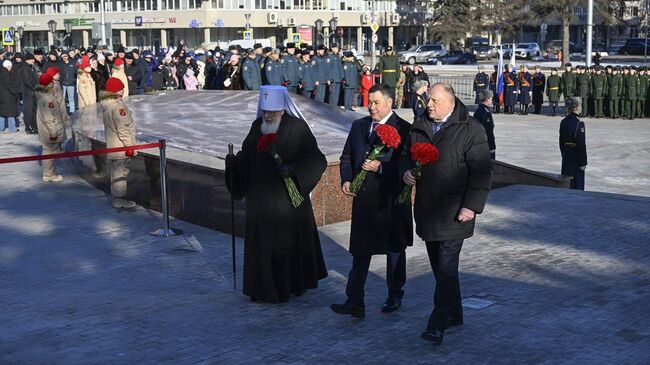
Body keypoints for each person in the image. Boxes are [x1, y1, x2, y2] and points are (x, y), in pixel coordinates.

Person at [402, 83, 492, 345]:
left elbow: (482, 170)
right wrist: (406, 173)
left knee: (447, 266)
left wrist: (471, 206)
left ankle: (437, 323)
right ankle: (454, 313)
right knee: (441, 269)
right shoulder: (420, 125)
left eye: (435, 101)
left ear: (451, 102)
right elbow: (406, 158)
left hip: (455, 210)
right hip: (428, 210)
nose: (429, 105)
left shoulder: (470, 128)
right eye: (428, 100)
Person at [225, 85, 328, 303]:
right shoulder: (257, 126)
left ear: (283, 110)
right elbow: (247, 157)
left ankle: (288, 286)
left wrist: (294, 170)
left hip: (287, 203)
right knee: (263, 246)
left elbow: (316, 159)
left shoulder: (298, 128)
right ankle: (262, 288)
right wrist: (234, 164)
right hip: (260, 203)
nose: (268, 116)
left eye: (272, 112)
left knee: (284, 245)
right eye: (265, 112)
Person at [332, 83, 413, 318]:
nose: (372, 107)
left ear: (389, 102)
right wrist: (346, 179)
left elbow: (408, 166)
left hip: (390, 200)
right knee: (360, 252)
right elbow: (347, 156)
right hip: (364, 201)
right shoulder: (359, 126)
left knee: (394, 250)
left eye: (376, 102)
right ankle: (354, 300)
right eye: (369, 102)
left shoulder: (405, 129)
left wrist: (381, 167)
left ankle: (394, 295)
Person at [100, 77, 138, 209]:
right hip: (121, 146)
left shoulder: (107, 104)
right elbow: (123, 127)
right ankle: (119, 199)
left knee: (116, 171)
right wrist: (129, 146)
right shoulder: (117, 106)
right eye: (122, 88)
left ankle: (117, 197)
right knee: (120, 172)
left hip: (113, 145)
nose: (123, 90)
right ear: (118, 90)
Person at [35, 72, 67, 182]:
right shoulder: (48, 98)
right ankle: (49, 174)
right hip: (49, 131)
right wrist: (53, 133)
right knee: (49, 151)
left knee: (50, 151)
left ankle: (49, 172)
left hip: (45, 130)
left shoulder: (42, 95)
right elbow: (49, 118)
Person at [559, 97, 587, 191]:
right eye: (580, 105)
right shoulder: (579, 123)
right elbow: (581, 144)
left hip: (567, 155)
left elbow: (561, 141)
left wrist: (564, 153)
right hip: (576, 157)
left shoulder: (564, 121)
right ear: (577, 107)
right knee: (577, 184)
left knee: (567, 182)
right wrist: (583, 162)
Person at [20, 53, 40, 134]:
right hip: (28, 93)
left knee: (34, 110)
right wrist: (35, 87)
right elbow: (27, 81)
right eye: (32, 59)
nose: (33, 61)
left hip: (33, 92)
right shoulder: (25, 68)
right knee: (28, 111)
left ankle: (35, 127)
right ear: (28, 59)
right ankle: (29, 127)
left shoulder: (31, 67)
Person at [473, 90, 496, 159]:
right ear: (487, 99)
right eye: (491, 99)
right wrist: (492, 146)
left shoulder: (478, 110)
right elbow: (488, 131)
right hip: (486, 145)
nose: (492, 101)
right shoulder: (486, 112)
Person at [0, 60, 19, 132]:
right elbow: (9, 85)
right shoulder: (6, 74)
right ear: (5, 66)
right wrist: (15, 92)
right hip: (8, 96)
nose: (10, 68)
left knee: (2, 113)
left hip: (2, 96)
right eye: (9, 66)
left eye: (10, 66)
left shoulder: (1, 73)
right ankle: (12, 128)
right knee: (10, 112)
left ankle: (1, 128)